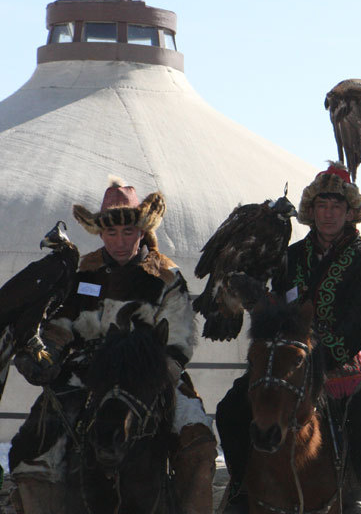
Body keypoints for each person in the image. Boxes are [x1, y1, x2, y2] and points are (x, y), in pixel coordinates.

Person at [9, 178, 216, 514]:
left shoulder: (165, 276)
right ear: (100, 233)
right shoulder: (83, 272)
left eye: (128, 232)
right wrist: (46, 352)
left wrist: (154, 377)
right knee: (36, 451)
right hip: (86, 373)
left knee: (199, 445)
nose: (120, 242)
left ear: (141, 231)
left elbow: (177, 340)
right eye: (111, 234)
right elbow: (62, 322)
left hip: (151, 376)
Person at [217, 162, 361, 514]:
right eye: (321, 207)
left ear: (350, 213)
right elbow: (276, 304)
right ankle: (238, 486)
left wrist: (324, 356)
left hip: (340, 356)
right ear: (310, 211)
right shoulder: (292, 256)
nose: (328, 215)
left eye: (336, 207)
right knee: (231, 407)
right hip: (287, 352)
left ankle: (360, 489)